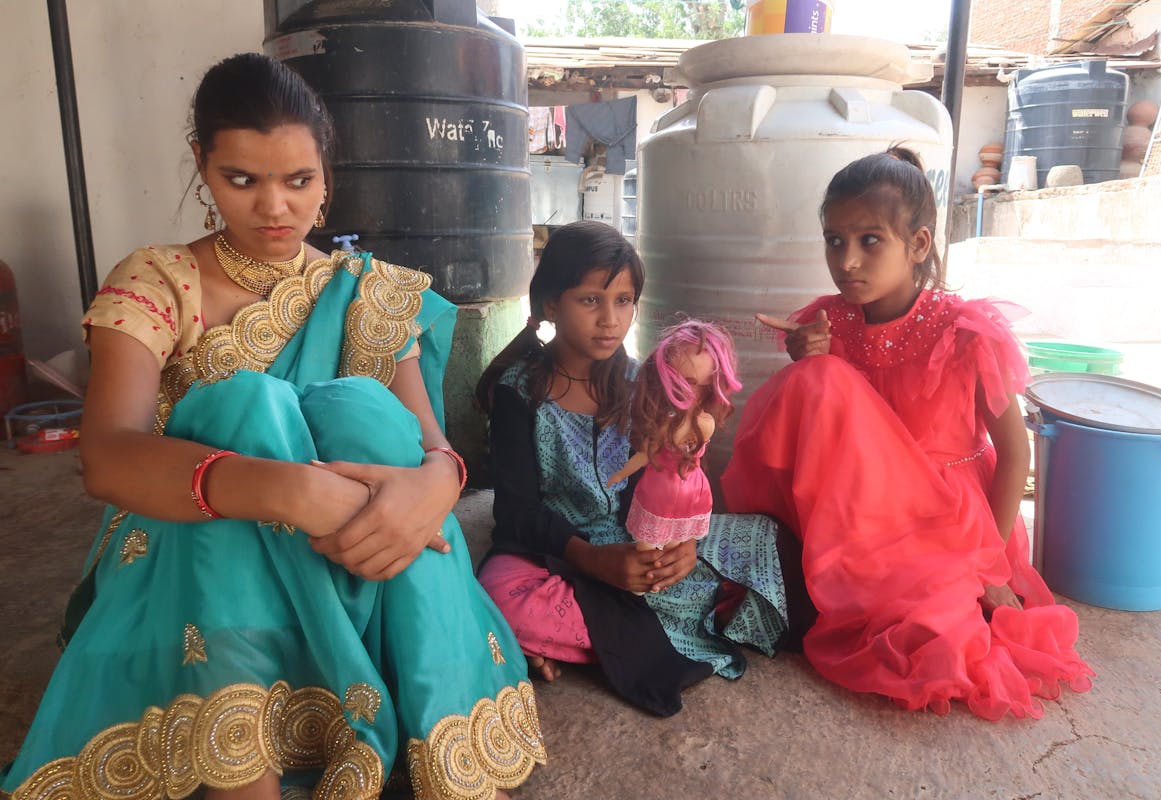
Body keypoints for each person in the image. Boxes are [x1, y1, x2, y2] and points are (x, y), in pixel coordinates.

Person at [0, 53, 543, 800]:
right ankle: (240, 759)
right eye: (242, 180)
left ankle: (396, 715)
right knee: (243, 411)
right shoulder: (161, 283)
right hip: (202, 552)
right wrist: (283, 490)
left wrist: (437, 482)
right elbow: (108, 459)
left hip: (356, 548)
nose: (275, 208)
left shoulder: (364, 293)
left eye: (299, 181)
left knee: (359, 411)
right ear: (202, 165)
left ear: (327, 175)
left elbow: (426, 443)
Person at [723, 146, 1094, 721]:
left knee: (933, 640)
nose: (847, 261)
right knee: (815, 378)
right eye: (834, 240)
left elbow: (1016, 449)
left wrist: (988, 566)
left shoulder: (964, 331)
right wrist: (807, 360)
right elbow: (825, 430)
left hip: (948, 516)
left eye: (870, 240)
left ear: (918, 245)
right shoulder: (830, 320)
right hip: (864, 508)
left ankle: (909, 581)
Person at [474, 221, 788, 717]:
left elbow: (670, 479)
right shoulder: (520, 392)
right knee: (499, 596)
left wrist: (681, 547)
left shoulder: (642, 381)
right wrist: (593, 560)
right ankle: (622, 630)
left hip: (641, 544)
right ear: (552, 304)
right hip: (556, 550)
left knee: (767, 542)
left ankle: (576, 641)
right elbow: (516, 511)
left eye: (624, 301)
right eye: (590, 300)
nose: (610, 320)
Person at [607, 319, 742, 551]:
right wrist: (620, 475)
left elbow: (646, 454)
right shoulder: (703, 421)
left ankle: (653, 577)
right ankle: (654, 576)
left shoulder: (679, 424)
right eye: (685, 382)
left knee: (655, 545)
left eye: (703, 385)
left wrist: (621, 474)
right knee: (668, 544)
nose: (694, 392)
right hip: (692, 488)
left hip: (664, 487)